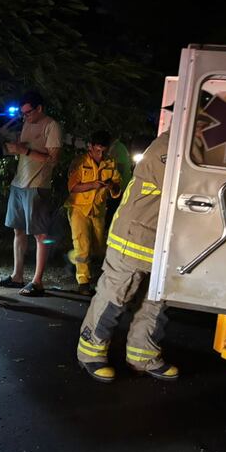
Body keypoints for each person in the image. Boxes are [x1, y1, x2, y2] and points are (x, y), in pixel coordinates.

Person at [76, 127, 178, 383]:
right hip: (133, 239)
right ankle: (90, 353)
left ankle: (143, 355)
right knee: (115, 297)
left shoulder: (185, 146)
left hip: (161, 243)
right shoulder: (167, 147)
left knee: (155, 302)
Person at [0, 90, 62, 296]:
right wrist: (16, 148)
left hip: (37, 185)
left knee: (40, 234)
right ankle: (17, 276)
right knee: (18, 230)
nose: (25, 116)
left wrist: (25, 151)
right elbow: (27, 149)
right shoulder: (27, 123)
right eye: (23, 113)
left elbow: (53, 159)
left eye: (28, 112)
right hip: (19, 184)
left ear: (40, 108)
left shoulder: (52, 126)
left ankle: (37, 281)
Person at [66, 131, 122, 295]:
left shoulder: (111, 163)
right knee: (82, 245)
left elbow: (118, 188)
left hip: (98, 209)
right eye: (98, 150)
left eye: (104, 150)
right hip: (78, 208)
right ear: (90, 146)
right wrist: (92, 185)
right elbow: (72, 187)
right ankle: (83, 282)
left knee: (98, 246)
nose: (101, 154)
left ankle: (80, 265)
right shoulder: (80, 162)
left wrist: (112, 186)